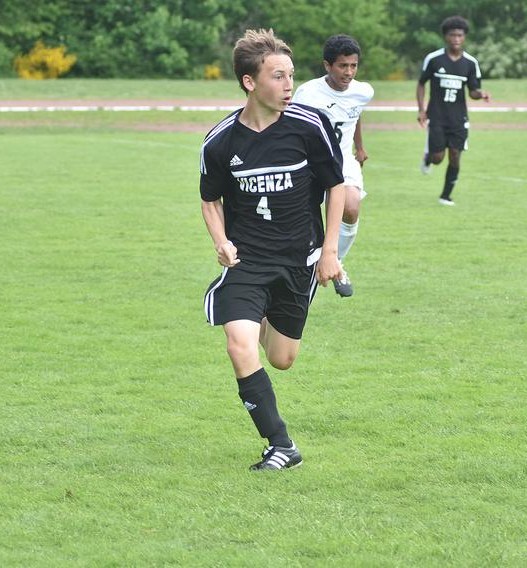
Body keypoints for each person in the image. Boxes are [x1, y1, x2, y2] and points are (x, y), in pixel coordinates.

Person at [199, 29, 346, 471]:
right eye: (278, 76)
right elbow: (210, 200)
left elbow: (336, 187)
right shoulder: (221, 141)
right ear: (250, 82)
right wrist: (221, 243)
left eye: (291, 76)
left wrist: (330, 250)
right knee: (239, 343)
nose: (288, 85)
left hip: (298, 259)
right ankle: (281, 445)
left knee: (282, 359)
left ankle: (258, 311)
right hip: (248, 260)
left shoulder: (308, 126)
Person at [293, 34, 374, 297]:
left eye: (353, 65)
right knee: (303, 221)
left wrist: (359, 147)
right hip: (311, 164)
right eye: (342, 66)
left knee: (350, 207)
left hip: (342, 162)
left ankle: (335, 262)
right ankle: (300, 266)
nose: (349, 72)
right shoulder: (307, 93)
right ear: (327, 65)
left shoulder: (363, 91)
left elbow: (355, 113)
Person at [416, 15, 490, 206]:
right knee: (438, 158)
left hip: (459, 118)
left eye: (460, 35)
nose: (456, 39)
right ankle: (428, 157)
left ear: (464, 37)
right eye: (452, 35)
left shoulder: (470, 63)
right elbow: (421, 84)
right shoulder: (433, 59)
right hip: (437, 116)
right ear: (445, 37)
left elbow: (472, 91)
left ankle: (445, 196)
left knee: (455, 155)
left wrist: (480, 94)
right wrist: (421, 109)